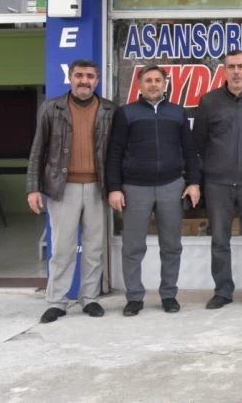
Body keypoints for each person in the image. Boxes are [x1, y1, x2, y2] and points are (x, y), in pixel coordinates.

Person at [106, 64, 201, 316]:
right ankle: (134, 297)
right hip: (135, 188)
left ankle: (169, 295)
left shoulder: (177, 113)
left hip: (172, 186)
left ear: (164, 83)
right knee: (132, 246)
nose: (153, 84)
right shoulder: (126, 113)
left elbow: (190, 150)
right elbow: (114, 152)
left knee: (171, 245)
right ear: (139, 85)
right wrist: (114, 188)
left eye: (158, 80)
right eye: (148, 80)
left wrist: (193, 182)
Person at [26, 59, 117, 324]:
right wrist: (33, 188)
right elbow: (38, 149)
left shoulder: (109, 109)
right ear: (71, 78)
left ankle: (90, 298)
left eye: (89, 76)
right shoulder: (51, 108)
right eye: (79, 75)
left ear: (97, 80)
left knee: (94, 247)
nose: (84, 81)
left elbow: (116, 152)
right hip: (62, 187)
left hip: (98, 187)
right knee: (62, 248)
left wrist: (116, 186)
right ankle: (57, 301)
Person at [193, 50, 242, 310]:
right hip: (218, 182)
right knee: (219, 240)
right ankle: (223, 291)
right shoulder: (209, 102)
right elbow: (199, 142)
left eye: (241, 66)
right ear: (224, 70)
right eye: (231, 67)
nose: (236, 71)